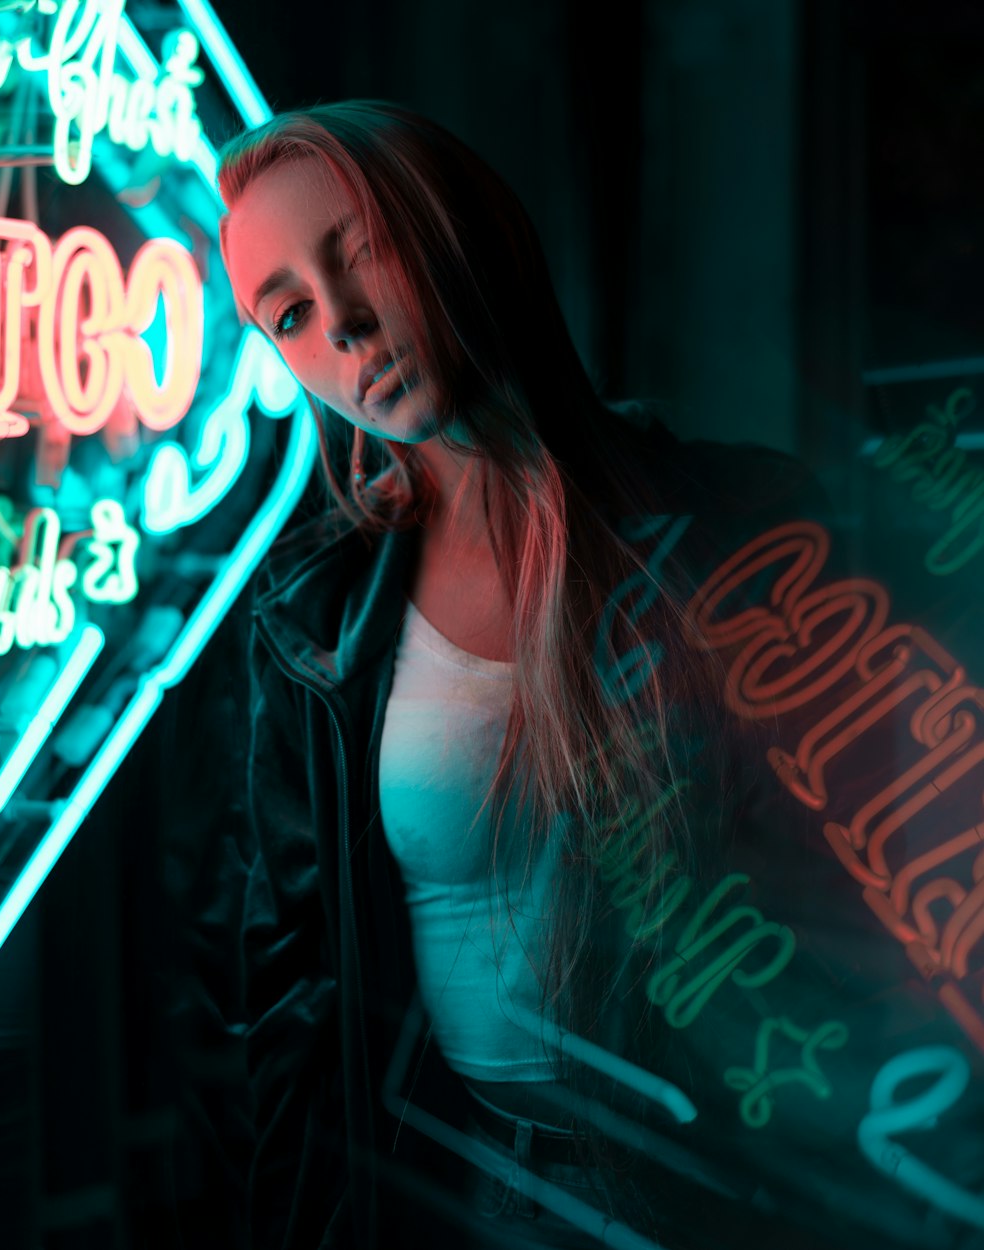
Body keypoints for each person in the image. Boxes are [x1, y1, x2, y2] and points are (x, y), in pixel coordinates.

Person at [215, 100, 831, 1250]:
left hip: (727, 1195)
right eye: (290, 312)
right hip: (468, 1183)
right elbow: (290, 989)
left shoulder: (747, 524)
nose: (342, 325)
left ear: (461, 227)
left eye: (363, 252)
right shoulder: (315, 618)